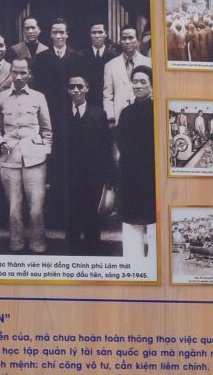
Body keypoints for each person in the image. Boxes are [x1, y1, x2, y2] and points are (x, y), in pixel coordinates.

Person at [0, 58, 52, 254]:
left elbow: (47, 130)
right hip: (9, 159)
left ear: (29, 74)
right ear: (10, 73)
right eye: (15, 72)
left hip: (35, 159)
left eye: (23, 72)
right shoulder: (0, 98)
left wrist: (44, 150)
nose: (18, 77)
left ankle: (38, 244)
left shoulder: (39, 97)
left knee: (36, 207)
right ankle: (16, 244)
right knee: (13, 207)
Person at [47, 73, 111, 253]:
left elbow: (105, 146)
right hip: (69, 175)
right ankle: (73, 251)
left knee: (92, 217)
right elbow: (56, 147)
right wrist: (55, 175)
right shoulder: (60, 115)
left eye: (79, 86)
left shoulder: (99, 114)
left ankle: (93, 251)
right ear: (68, 90)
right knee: (71, 216)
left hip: (92, 176)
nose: (76, 90)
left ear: (87, 89)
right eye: (72, 87)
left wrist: (107, 177)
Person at [114, 66, 158, 269]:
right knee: (131, 223)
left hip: (151, 176)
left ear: (152, 85)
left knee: (154, 223)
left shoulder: (158, 111)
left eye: (143, 81)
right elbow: (121, 142)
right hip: (130, 175)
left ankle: (154, 266)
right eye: (135, 81)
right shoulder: (126, 113)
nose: (138, 85)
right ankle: (133, 267)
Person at [103, 24, 153, 119]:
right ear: (120, 41)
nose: (127, 41)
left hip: (144, 115)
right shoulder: (110, 65)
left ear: (137, 40)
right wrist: (110, 118)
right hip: (119, 116)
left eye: (130, 38)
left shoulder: (149, 63)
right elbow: (107, 96)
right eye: (124, 38)